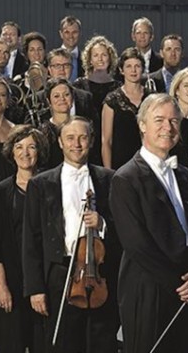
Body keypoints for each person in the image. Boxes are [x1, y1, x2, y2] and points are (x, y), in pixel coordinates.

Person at [112, 94, 188, 353]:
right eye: (159, 120)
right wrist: (179, 283)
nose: (168, 127)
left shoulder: (184, 174)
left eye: (174, 121)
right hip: (148, 291)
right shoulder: (125, 178)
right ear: (142, 125)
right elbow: (136, 244)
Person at [22, 116, 117, 353]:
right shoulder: (40, 184)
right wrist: (35, 288)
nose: (77, 144)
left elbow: (124, 227)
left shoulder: (109, 179)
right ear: (60, 142)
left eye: (83, 138)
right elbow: (31, 240)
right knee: (63, 344)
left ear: (91, 141)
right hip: (60, 274)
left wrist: (103, 223)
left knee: (100, 343)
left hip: (99, 274)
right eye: (70, 138)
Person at [0, 125, 48, 353]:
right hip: (11, 282)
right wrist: (1, 286)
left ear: (39, 151)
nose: (25, 153)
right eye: (19, 147)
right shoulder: (0, 192)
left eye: (31, 147)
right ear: (11, 153)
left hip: (43, 280)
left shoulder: (51, 186)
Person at [101, 47, 146, 169]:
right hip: (120, 165)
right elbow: (106, 141)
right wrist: (108, 172)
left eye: (137, 66)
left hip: (147, 163)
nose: (133, 70)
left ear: (142, 69)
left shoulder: (151, 98)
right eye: (129, 66)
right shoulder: (112, 100)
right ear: (121, 70)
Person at [74, 35, 119, 135]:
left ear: (110, 58)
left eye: (104, 55)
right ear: (90, 60)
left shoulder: (118, 87)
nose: (100, 59)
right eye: (95, 55)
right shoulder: (79, 85)